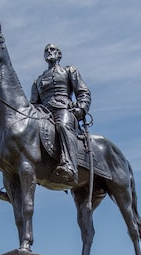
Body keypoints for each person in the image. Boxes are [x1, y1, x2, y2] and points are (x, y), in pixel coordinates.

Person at [30, 44, 91, 183]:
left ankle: (70, 165)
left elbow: (83, 92)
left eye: (52, 50)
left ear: (59, 55)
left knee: (62, 126)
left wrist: (81, 109)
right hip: (43, 114)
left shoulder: (69, 70)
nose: (49, 52)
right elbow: (33, 103)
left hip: (63, 108)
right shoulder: (38, 81)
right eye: (46, 51)